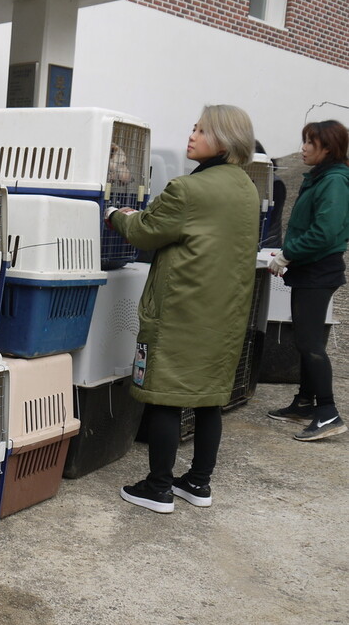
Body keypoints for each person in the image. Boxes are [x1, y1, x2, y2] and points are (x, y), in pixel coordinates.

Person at [104, 105, 260, 513]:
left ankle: (157, 487)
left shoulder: (188, 190)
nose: (191, 135)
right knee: (209, 399)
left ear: (224, 141)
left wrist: (115, 215)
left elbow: (145, 231)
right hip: (223, 315)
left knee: (164, 397)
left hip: (179, 311)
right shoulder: (246, 187)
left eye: (201, 130)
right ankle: (198, 483)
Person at [266, 120, 349, 441]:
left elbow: (325, 231)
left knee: (311, 343)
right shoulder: (321, 178)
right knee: (305, 338)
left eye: (309, 143)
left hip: (319, 270)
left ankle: (328, 412)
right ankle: (304, 402)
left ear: (327, 148)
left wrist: (288, 254)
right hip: (310, 268)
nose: (302, 148)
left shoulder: (335, 182)